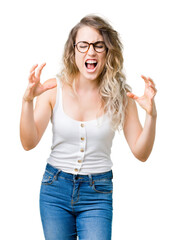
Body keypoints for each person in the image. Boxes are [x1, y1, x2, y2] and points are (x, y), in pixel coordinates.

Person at [20, 14, 157, 240]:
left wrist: (151, 115)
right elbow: (28, 142)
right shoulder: (53, 89)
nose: (90, 52)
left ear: (107, 52)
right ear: (72, 52)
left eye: (98, 45)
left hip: (98, 193)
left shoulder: (122, 96)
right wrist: (26, 101)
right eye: (83, 45)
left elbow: (141, 153)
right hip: (54, 190)